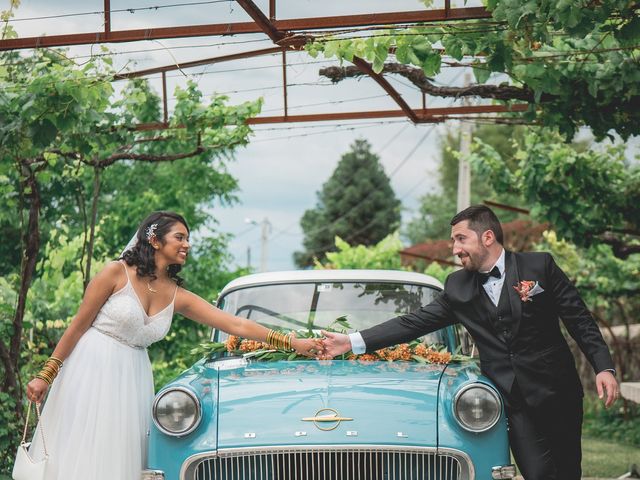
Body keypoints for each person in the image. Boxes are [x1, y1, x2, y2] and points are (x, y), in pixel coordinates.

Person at [321, 205, 619, 480]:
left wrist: (603, 367)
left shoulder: (539, 266)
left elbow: (579, 319)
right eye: (453, 241)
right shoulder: (457, 287)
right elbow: (413, 323)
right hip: (513, 401)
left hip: (558, 393)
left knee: (568, 472)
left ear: (487, 237)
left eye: (461, 239)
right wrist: (352, 341)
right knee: (538, 473)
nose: (455, 249)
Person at [25, 211, 320, 480]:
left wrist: (292, 342)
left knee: (119, 451)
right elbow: (78, 326)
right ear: (154, 239)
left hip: (133, 377)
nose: (187, 244)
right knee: (82, 446)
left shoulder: (178, 295)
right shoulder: (115, 273)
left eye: (188, 239)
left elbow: (237, 325)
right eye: (179, 237)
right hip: (91, 367)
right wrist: (46, 375)